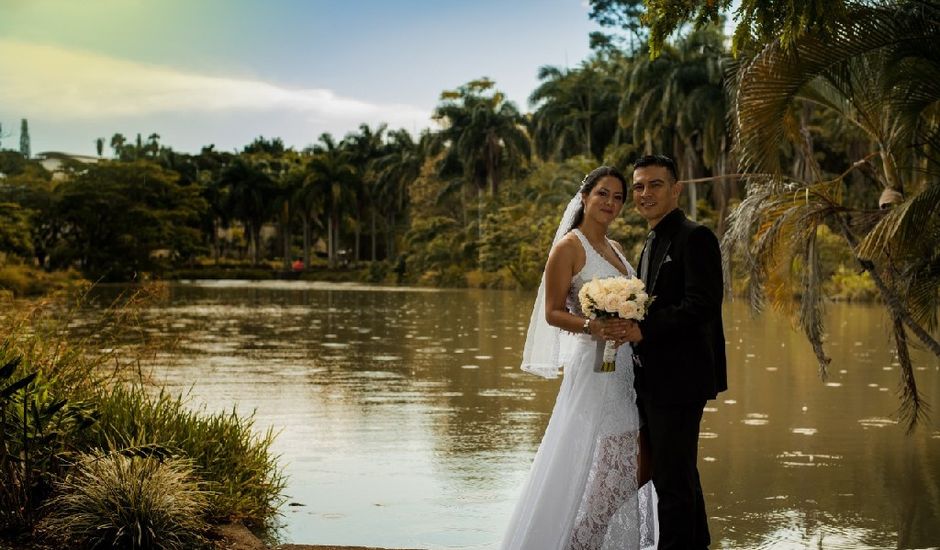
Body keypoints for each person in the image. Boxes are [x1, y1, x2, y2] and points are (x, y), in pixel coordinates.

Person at [501, 166, 656, 550]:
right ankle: (578, 539)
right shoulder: (569, 247)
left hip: (625, 368)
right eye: (603, 193)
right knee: (594, 455)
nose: (611, 203)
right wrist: (592, 325)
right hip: (593, 366)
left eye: (619, 197)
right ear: (585, 197)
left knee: (635, 460)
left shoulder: (617, 249)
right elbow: (552, 311)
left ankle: (587, 533)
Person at [624, 154, 727, 549]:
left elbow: (702, 304)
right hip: (654, 378)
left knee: (671, 482)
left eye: (655, 185)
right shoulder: (652, 239)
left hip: (680, 379)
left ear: (676, 189)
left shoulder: (694, 236)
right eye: (639, 186)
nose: (645, 193)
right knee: (679, 473)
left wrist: (641, 329)